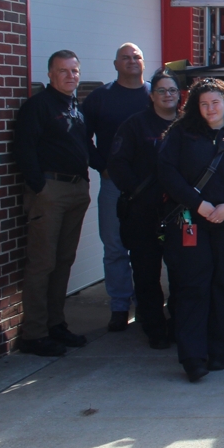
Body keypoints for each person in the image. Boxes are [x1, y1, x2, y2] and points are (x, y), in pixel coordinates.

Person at [156, 78, 224, 382]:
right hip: (192, 220)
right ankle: (193, 356)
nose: (210, 109)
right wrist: (199, 203)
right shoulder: (180, 134)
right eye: (203, 103)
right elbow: (167, 172)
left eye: (215, 102)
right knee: (194, 286)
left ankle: (219, 351)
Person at [11, 50, 93, 357]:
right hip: (50, 191)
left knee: (63, 261)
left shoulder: (75, 108)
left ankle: (55, 325)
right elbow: (24, 148)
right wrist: (39, 187)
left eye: (74, 70)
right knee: (42, 263)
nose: (70, 75)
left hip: (75, 190)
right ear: (50, 74)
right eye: (63, 70)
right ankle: (34, 333)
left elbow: (84, 146)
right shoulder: (38, 107)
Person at [108, 68, 181, 349]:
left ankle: (178, 323)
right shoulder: (134, 125)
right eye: (161, 90)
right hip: (143, 213)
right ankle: (153, 327)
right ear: (151, 96)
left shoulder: (187, 125)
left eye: (172, 90)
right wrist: (141, 194)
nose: (167, 95)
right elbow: (118, 164)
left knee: (181, 272)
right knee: (146, 272)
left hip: (178, 213)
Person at [81, 42, 151, 331]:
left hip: (148, 186)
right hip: (113, 185)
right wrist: (102, 166)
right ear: (115, 64)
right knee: (114, 247)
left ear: (143, 63)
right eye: (125, 58)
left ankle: (147, 305)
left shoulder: (156, 94)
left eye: (136, 57)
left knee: (148, 248)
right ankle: (120, 306)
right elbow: (82, 138)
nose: (131, 61)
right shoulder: (100, 97)